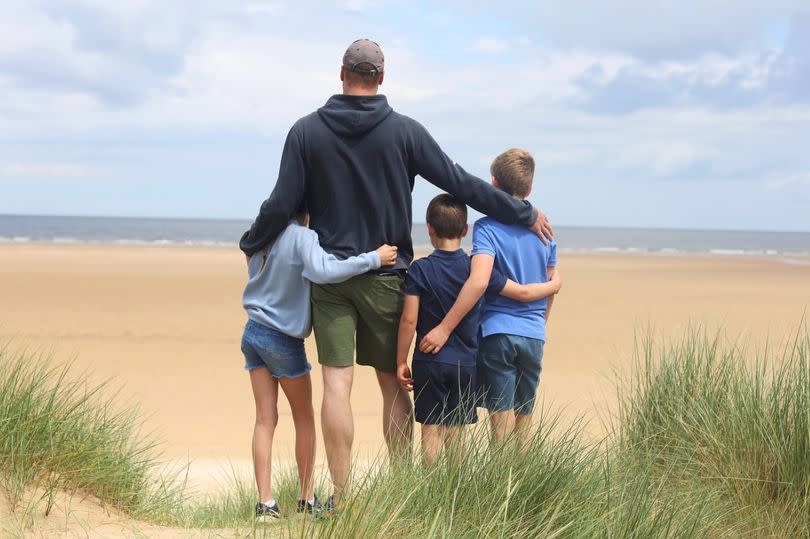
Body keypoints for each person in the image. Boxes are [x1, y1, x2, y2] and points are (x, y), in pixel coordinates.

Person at [239, 39, 553, 507]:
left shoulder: (306, 131)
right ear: (381, 78)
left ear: (341, 72)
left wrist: (252, 241)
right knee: (392, 383)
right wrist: (520, 212)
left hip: (332, 281)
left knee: (336, 386)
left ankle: (341, 501)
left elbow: (283, 204)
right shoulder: (404, 131)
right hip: (390, 276)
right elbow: (460, 181)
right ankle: (405, 492)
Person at [241, 203, 397, 521]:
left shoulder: (259, 237)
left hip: (253, 332)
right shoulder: (301, 236)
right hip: (283, 339)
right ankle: (306, 499)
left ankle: (265, 504)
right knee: (304, 418)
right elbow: (324, 270)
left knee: (264, 420)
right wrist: (373, 259)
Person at [396, 194, 561, 464]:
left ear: (429, 228)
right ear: (464, 230)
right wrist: (552, 286)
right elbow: (519, 291)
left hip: (429, 360)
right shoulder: (476, 270)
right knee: (456, 430)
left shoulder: (420, 269)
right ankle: (455, 488)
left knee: (430, 428)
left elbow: (409, 320)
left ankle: (429, 489)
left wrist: (401, 359)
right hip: (466, 362)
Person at [419, 149, 557, 444]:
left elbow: (479, 280)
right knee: (524, 417)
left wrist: (444, 328)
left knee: (501, 421)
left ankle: (500, 485)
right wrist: (539, 324)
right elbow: (551, 287)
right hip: (534, 333)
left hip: (497, 333)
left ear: (492, 185)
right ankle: (522, 484)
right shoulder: (546, 232)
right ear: (529, 189)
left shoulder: (487, 228)